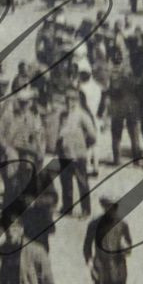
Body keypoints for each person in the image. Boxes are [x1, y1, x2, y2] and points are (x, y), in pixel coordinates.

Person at [56, 88, 99, 217]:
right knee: (66, 182)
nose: (70, 102)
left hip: (79, 154)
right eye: (67, 99)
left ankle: (86, 209)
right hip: (65, 153)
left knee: (82, 182)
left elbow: (92, 135)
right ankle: (67, 207)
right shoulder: (63, 115)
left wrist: (84, 145)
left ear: (77, 100)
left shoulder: (82, 115)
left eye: (73, 99)